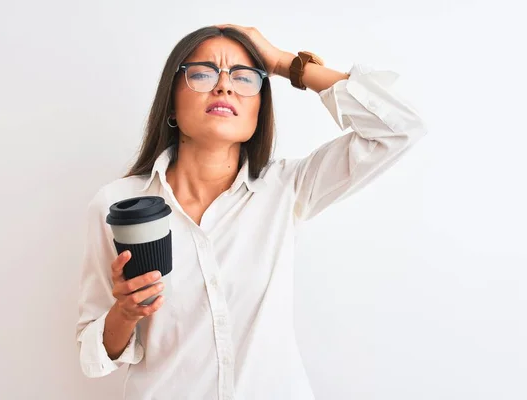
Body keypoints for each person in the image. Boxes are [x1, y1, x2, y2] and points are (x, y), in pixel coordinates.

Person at [76, 24, 427, 400]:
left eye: (245, 77)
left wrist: (283, 63)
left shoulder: (288, 188)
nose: (224, 86)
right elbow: (93, 357)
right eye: (202, 73)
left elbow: (398, 128)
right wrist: (125, 313)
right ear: (171, 102)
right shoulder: (117, 205)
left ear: (259, 109)